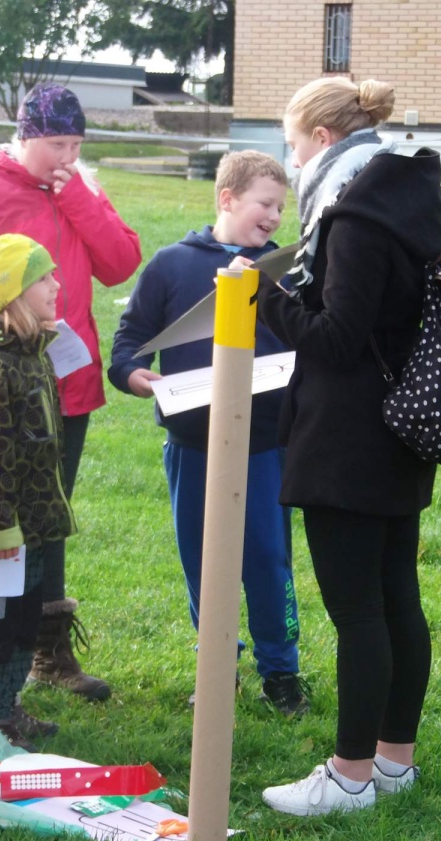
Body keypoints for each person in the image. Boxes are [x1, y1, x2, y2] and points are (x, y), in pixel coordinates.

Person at [254, 77, 441, 815]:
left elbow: (337, 339)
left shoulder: (353, 217)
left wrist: (263, 296)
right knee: (397, 598)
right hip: (401, 426)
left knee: (360, 612)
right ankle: (394, 763)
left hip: (349, 439)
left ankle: (349, 777)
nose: (291, 161)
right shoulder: (404, 196)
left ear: (324, 139)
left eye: (293, 144)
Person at [0, 84, 142, 702]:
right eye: (56, 144)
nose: (67, 156)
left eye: (76, 144)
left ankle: (47, 651)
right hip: (1, 385)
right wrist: (7, 327)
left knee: (49, 514)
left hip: (66, 385)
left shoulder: (80, 187)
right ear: (24, 137)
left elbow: (120, 262)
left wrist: (78, 196)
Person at [108, 150, 307, 716]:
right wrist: (133, 375)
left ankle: (281, 671)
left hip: (264, 443)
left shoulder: (288, 271)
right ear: (227, 198)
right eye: (265, 204)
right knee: (202, 559)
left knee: (267, 558)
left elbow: (308, 340)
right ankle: (217, 665)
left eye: (281, 208)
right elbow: (129, 343)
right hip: (193, 444)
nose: (275, 217)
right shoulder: (172, 264)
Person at [0, 233, 76, 750]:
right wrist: (1, 530)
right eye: (43, 278)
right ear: (15, 292)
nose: (56, 285)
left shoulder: (31, 352)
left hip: (34, 525)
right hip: (4, 536)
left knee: (23, 619)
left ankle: (8, 704)